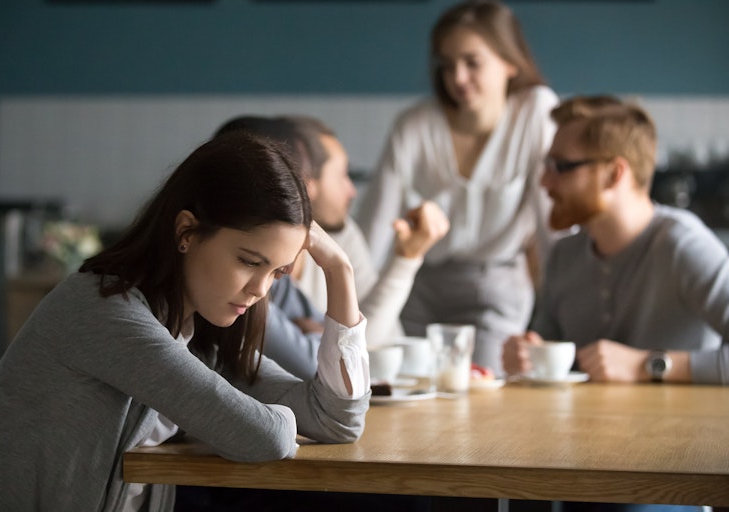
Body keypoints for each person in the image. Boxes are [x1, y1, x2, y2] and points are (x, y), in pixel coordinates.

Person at [0, 131, 370, 512]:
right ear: (186, 232)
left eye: (278, 272)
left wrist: (339, 271)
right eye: (248, 262)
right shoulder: (105, 312)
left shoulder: (199, 331)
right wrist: (244, 417)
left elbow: (336, 420)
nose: (260, 290)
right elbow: (267, 435)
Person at [502, 95, 727, 511]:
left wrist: (648, 365)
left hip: (667, 478)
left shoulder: (683, 246)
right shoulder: (566, 254)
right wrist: (527, 355)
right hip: (577, 466)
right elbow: (551, 346)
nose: (544, 183)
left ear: (614, 174)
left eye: (561, 166)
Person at [356, 0, 559, 376]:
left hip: (495, 290)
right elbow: (370, 234)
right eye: (447, 65)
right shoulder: (414, 125)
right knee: (408, 390)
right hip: (420, 289)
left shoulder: (536, 112)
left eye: (472, 62)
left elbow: (552, 233)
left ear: (510, 62)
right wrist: (344, 314)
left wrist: (556, 323)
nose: (458, 78)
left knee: (481, 395)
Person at [215, 115, 449, 379]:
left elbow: (370, 347)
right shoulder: (248, 283)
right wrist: (327, 338)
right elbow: (336, 365)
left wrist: (325, 337)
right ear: (303, 183)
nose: (352, 191)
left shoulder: (340, 235)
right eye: (341, 175)